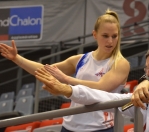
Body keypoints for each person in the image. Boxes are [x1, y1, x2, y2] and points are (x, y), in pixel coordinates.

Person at [0, 9, 130, 132]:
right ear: (94, 34)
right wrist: (17, 58)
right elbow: (43, 70)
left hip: (100, 128)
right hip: (70, 126)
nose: (110, 41)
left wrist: (66, 79)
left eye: (114, 36)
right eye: (105, 36)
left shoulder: (120, 63)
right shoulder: (81, 59)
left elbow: (100, 89)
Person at [35, 44, 149, 131]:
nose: (148, 73)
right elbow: (108, 97)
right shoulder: (147, 101)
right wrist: (69, 90)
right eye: (146, 69)